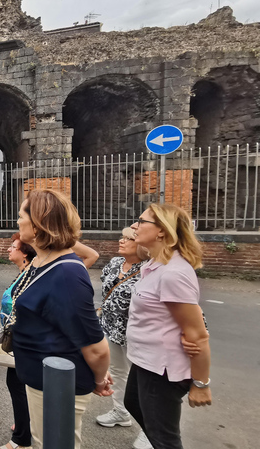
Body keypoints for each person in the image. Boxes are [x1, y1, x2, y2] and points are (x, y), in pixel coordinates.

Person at [12, 189, 112, 449]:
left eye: (22, 216)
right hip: (43, 377)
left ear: (37, 225)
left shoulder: (66, 275)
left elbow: (96, 347)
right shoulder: (42, 260)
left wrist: (100, 380)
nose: (17, 221)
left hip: (57, 384)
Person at [126, 204, 212, 449]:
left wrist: (200, 383)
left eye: (141, 221)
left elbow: (197, 334)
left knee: (164, 437)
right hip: (146, 360)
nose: (135, 225)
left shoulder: (173, 273)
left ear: (162, 231)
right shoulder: (154, 265)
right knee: (133, 404)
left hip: (162, 369)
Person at [95, 227, 152, 449]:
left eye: (128, 238)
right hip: (111, 328)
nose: (122, 240)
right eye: (122, 236)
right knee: (118, 372)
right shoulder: (114, 264)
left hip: (135, 333)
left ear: (140, 246)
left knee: (143, 383)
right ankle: (121, 412)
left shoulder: (147, 270)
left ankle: (150, 429)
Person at [0, 232, 37, 449]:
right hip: (18, 336)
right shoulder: (23, 273)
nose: (9, 249)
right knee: (19, 385)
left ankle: (22, 440)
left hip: (25, 340)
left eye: (14, 247)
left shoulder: (31, 274)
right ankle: (25, 424)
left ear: (25, 254)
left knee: (18, 385)